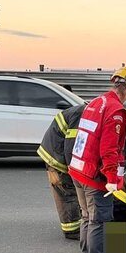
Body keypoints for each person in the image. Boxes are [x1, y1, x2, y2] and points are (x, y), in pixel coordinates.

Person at [68, 66, 126, 253]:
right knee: (99, 220)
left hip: (78, 168)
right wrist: (112, 177)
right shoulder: (116, 111)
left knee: (86, 216)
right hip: (95, 174)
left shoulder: (96, 102)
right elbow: (109, 149)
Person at [37, 103, 85, 240]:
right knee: (66, 189)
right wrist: (73, 169)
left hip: (54, 149)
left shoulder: (84, 111)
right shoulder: (81, 115)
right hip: (55, 156)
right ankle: (72, 230)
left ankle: (76, 223)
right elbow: (72, 145)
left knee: (68, 189)